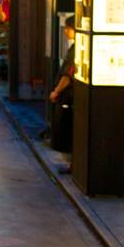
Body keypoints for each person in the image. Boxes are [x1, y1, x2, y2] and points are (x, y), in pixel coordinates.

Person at [49, 16, 76, 172]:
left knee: (66, 128)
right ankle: (70, 163)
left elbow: (67, 75)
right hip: (68, 96)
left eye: (68, 28)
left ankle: (71, 164)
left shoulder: (75, 49)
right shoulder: (74, 48)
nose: (65, 31)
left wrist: (56, 91)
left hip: (69, 96)